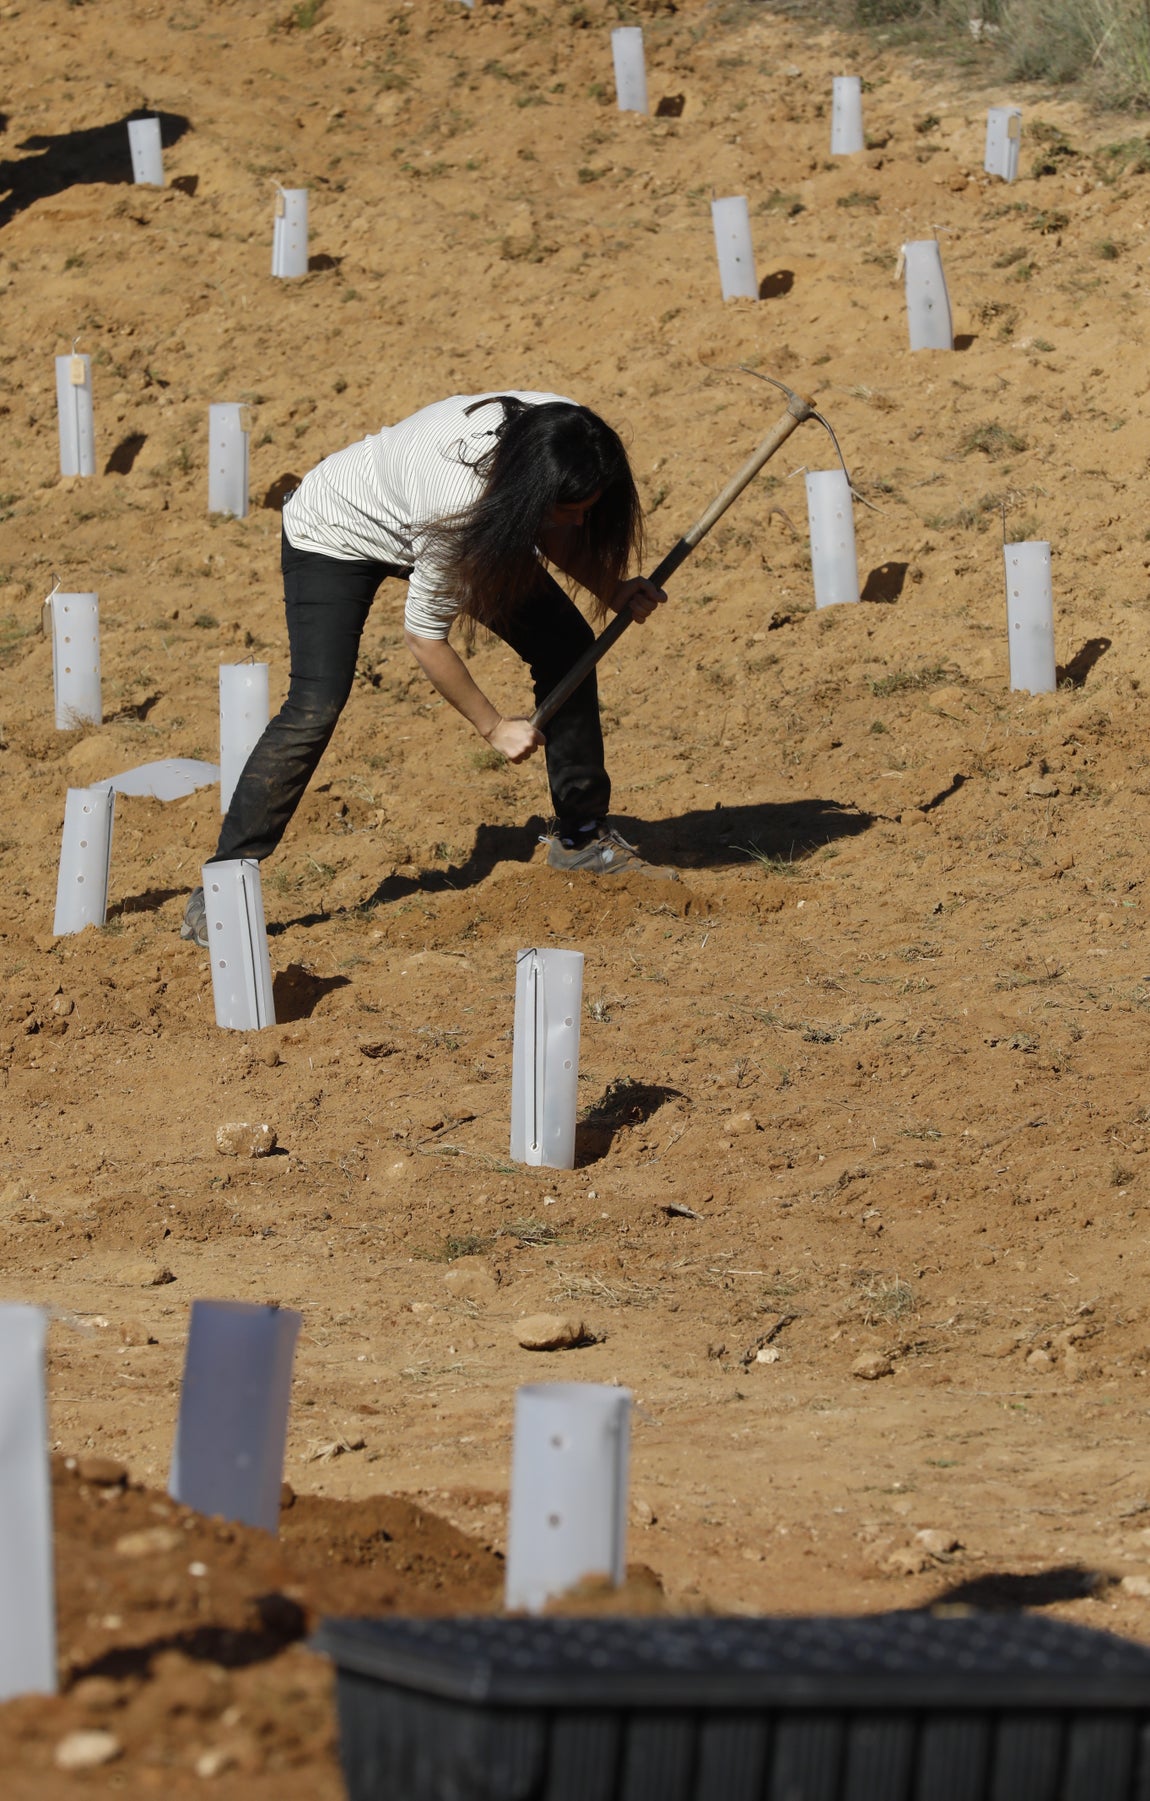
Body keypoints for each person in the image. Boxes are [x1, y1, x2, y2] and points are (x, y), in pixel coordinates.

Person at [181, 388, 676, 948]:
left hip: (432, 507)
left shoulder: (566, 432)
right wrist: (494, 727)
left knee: (567, 645)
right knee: (316, 703)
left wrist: (609, 587)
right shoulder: (459, 508)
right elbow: (424, 637)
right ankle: (222, 883)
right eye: (572, 511)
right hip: (335, 532)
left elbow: (553, 521)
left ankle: (583, 838)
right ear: (529, 492)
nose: (583, 521)